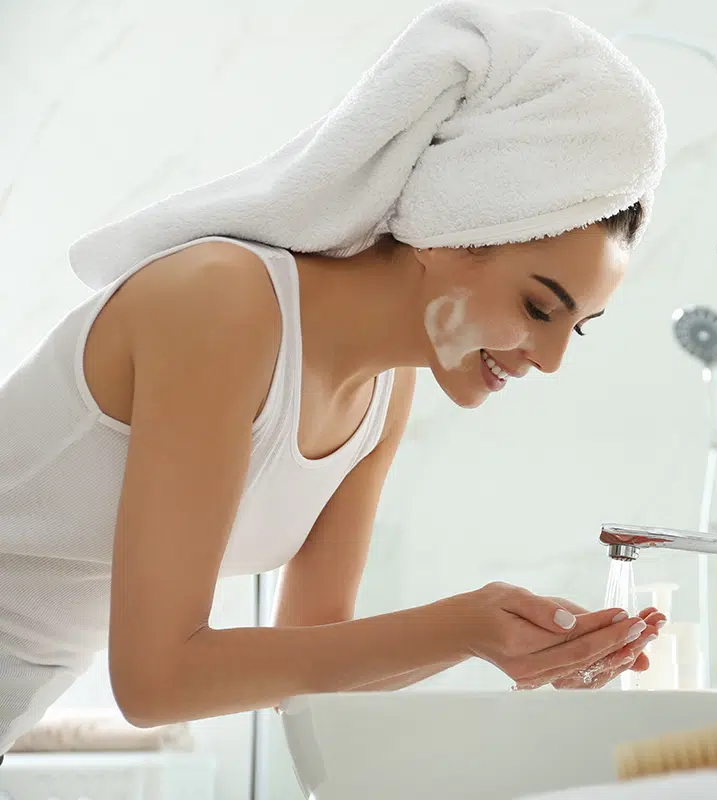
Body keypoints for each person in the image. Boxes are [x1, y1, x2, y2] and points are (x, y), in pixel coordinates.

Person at [0, 1, 667, 755]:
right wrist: (462, 624)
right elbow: (157, 681)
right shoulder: (220, 304)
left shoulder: (385, 390)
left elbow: (308, 658)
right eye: (538, 307)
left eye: (575, 329)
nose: (549, 361)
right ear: (454, 229)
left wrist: (498, 644)